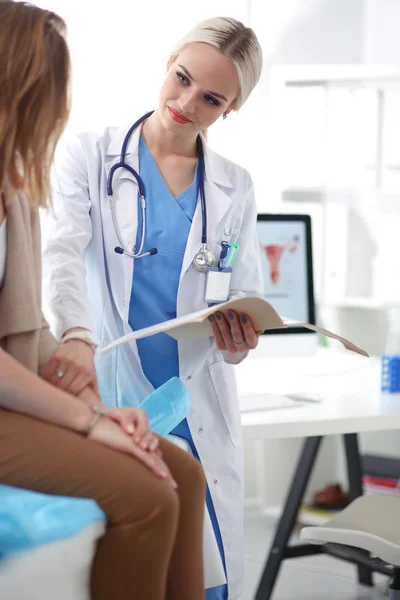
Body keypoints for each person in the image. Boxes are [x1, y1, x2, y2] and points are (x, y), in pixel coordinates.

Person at [43, 15, 264, 600]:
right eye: (182, 78)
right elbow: (60, 253)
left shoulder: (233, 186)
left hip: (194, 401)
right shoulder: (90, 155)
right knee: (131, 569)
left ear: (230, 108)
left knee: (205, 574)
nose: (186, 102)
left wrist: (239, 340)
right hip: (111, 388)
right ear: (167, 64)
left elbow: (242, 292)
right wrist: (74, 333)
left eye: (211, 98)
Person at [0, 3, 206, 599]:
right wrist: (90, 422)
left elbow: (24, 323)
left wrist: (94, 400)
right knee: (146, 497)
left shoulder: (14, 189)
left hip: (17, 391)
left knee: (183, 476)